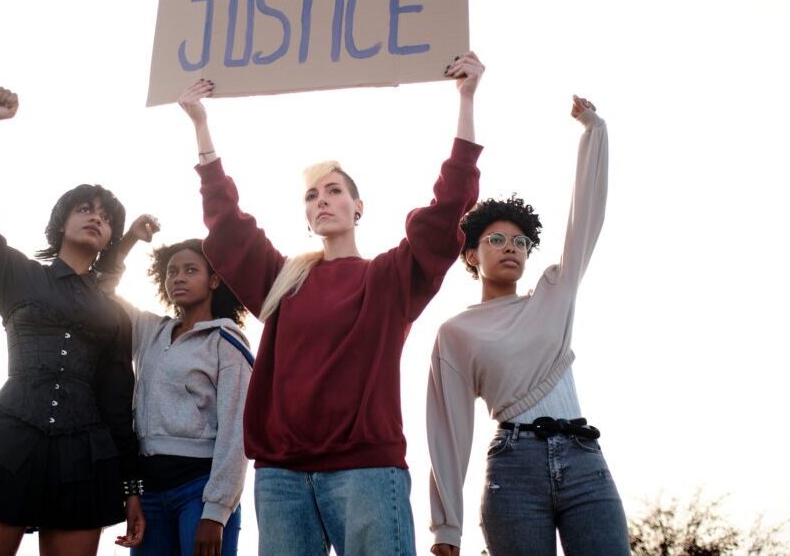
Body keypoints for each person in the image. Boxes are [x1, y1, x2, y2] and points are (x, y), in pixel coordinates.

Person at [176, 53, 485, 556]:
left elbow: (447, 209)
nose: (321, 199)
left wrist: (466, 99)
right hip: (282, 480)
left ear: (358, 207)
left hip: (365, 472)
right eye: (311, 195)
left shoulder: (386, 279)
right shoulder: (283, 280)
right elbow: (228, 226)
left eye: (334, 190)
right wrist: (200, 125)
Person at [0, 86, 145, 556]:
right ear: (61, 222)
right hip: (6, 442)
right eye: (84, 209)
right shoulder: (16, 275)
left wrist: (131, 487)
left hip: (84, 456)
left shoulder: (113, 313)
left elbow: (116, 401)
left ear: (110, 237)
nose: (95, 218)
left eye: (106, 217)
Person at [426, 95, 629, 556]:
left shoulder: (553, 295)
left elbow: (586, 220)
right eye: (495, 240)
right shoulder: (456, 333)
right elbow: (448, 429)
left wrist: (593, 132)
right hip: (514, 469)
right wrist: (446, 528)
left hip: (583, 459)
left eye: (519, 241)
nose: (509, 247)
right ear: (472, 255)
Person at [96, 215, 252, 556]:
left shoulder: (226, 341)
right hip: (149, 493)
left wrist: (216, 511)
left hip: (199, 491)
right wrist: (129, 240)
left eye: (191, 270)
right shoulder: (150, 330)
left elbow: (237, 430)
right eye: (171, 271)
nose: (178, 277)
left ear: (214, 281)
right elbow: (101, 289)